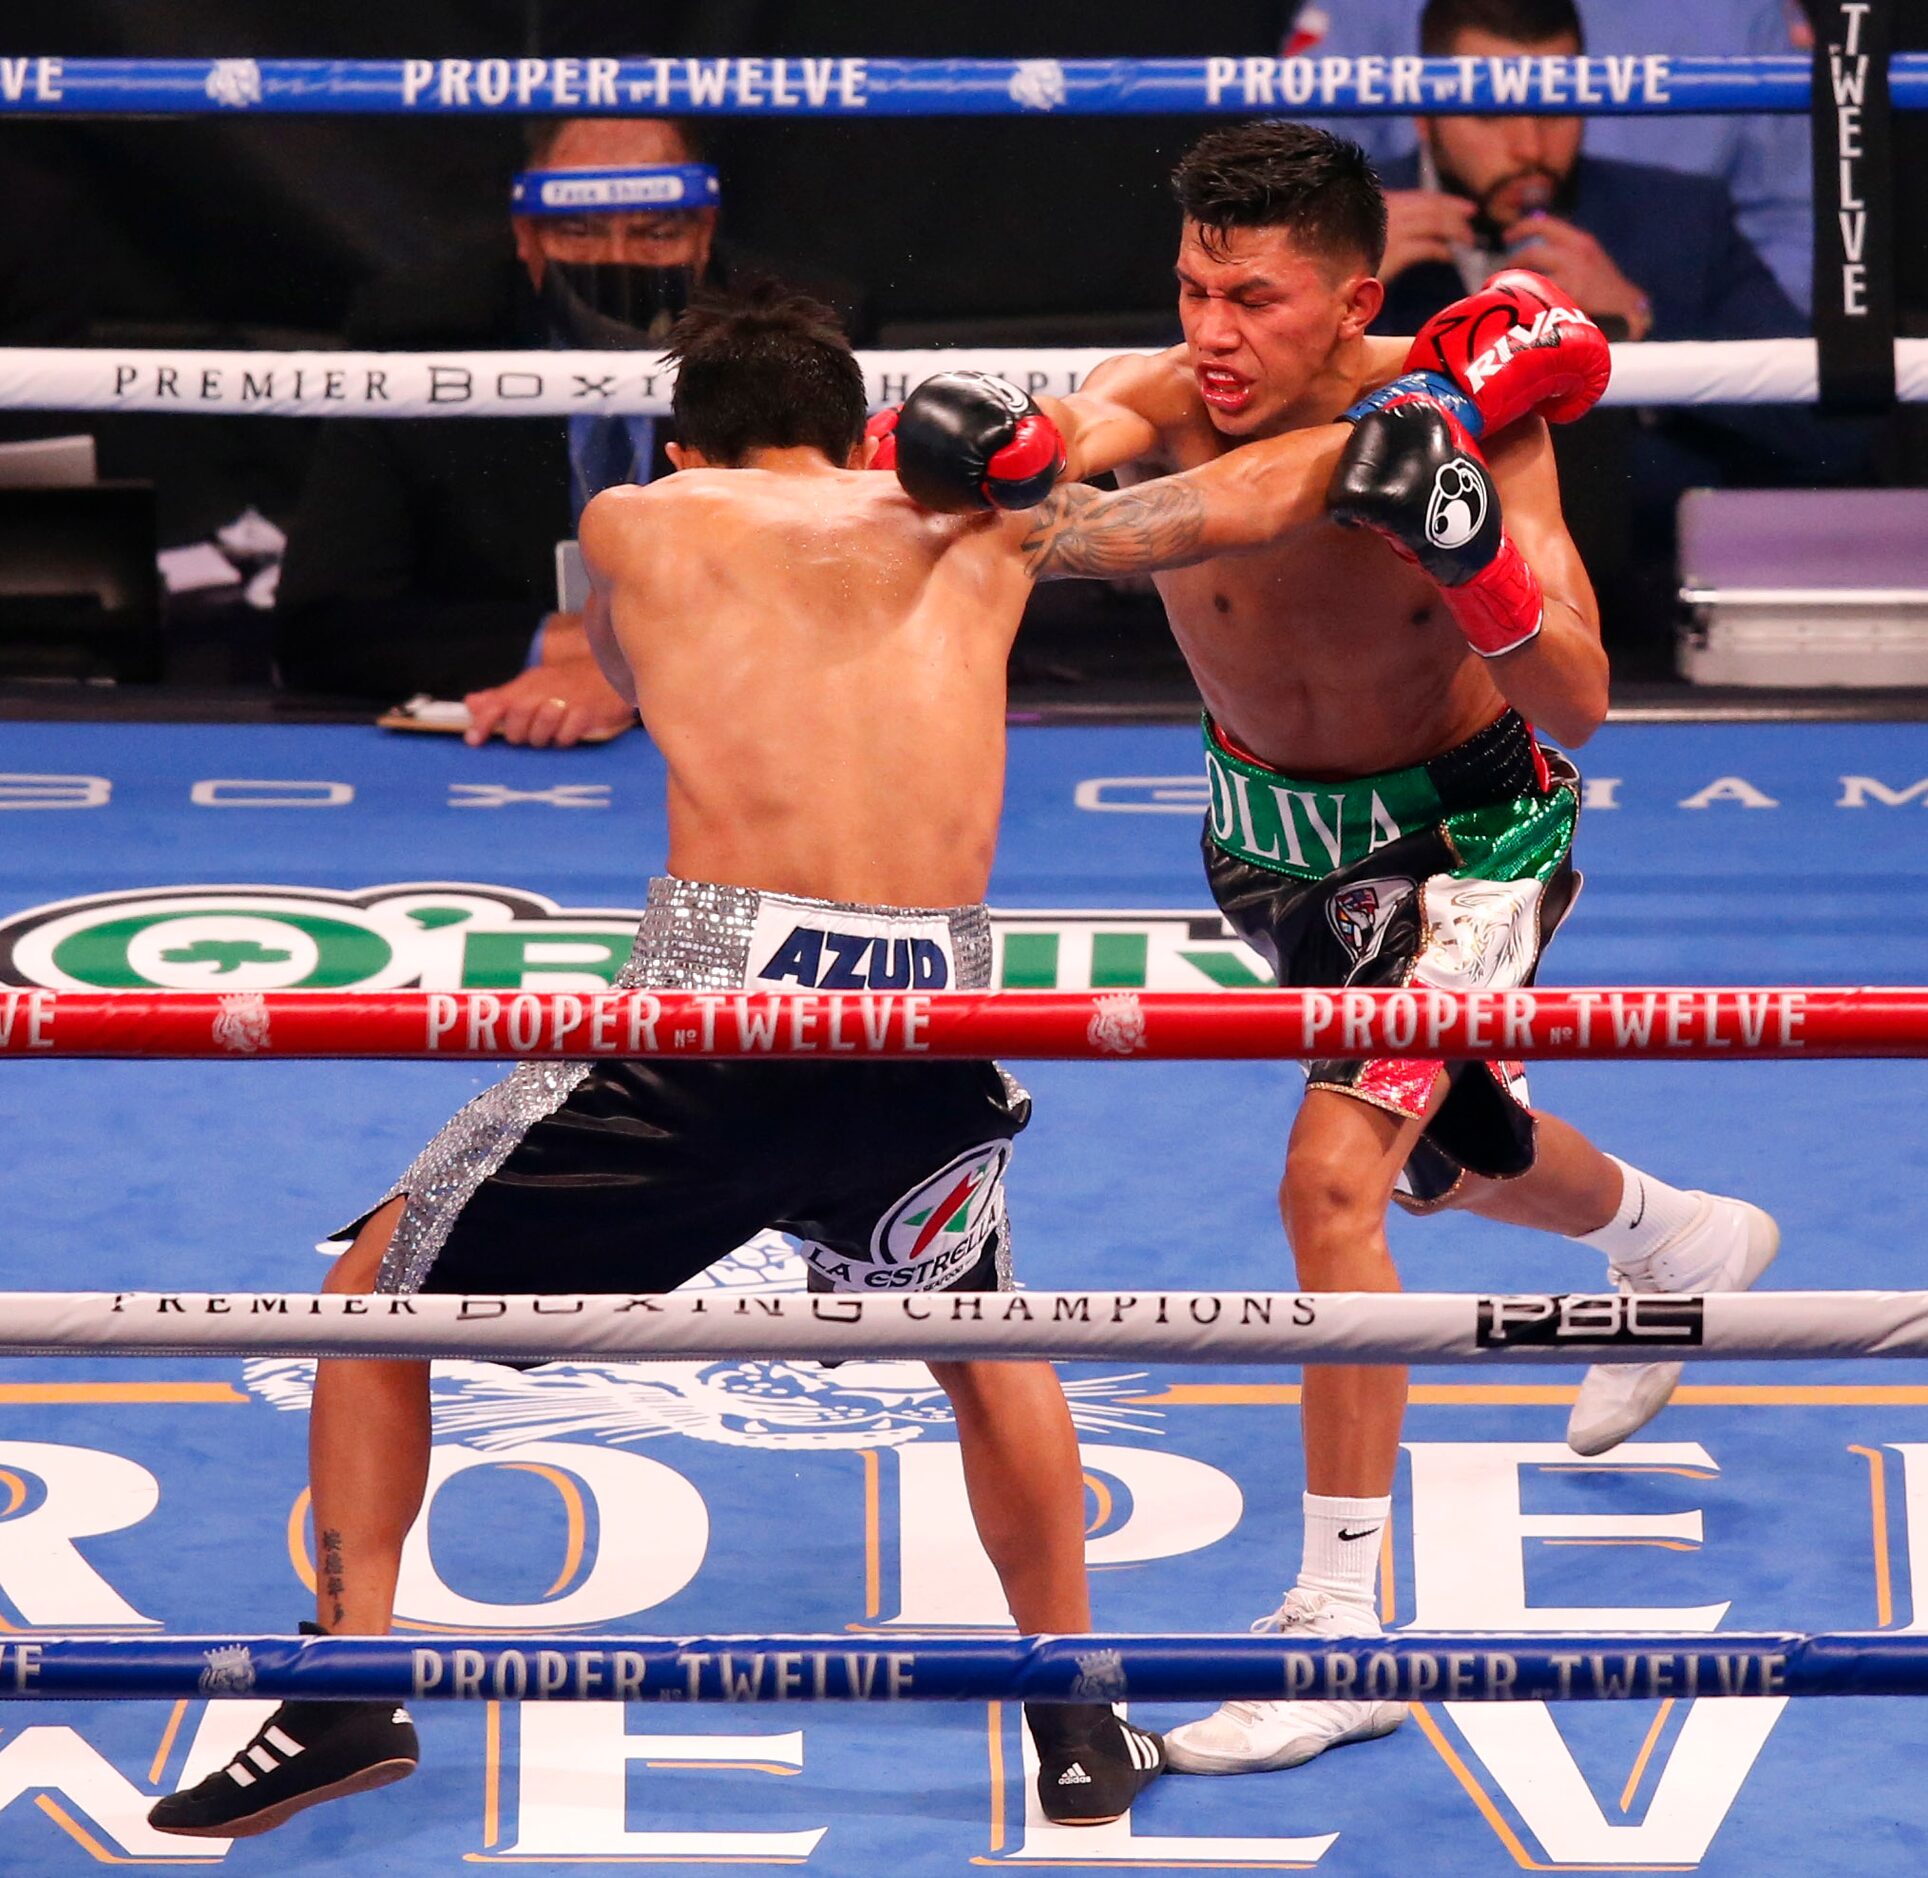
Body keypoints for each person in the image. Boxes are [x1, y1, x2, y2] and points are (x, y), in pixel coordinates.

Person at [147, 284, 1163, 1840]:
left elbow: (613, 665)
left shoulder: (641, 512)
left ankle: (349, 1683)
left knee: (364, 1292)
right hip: (927, 1037)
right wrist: (1016, 452)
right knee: (983, 1338)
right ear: (859, 426)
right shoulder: (992, 536)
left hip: (713, 1031)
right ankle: (1078, 1708)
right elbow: (1144, 413)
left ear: (687, 436)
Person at [893, 120, 1780, 1778]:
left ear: (1352, 297)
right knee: (1454, 1159)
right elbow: (1087, 448)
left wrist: (1466, 546)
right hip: (1273, 853)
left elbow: (1578, 698)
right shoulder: (1151, 398)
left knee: (1330, 1183)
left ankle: (1341, 1624)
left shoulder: (1472, 427)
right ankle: (1672, 1238)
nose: (1211, 334)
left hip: (1471, 843)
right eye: (1188, 290)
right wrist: (1000, 460)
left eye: (1251, 296)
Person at [274, 118, 865, 747]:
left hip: (751, 732)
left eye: (656, 231)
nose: (619, 258)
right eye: (579, 229)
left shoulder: (799, 343)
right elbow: (324, 627)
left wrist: (632, 674)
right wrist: (587, 652)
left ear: (704, 233)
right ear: (526, 236)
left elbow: (853, 596)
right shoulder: (421, 340)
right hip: (503, 734)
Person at [1281, 0, 1815, 311]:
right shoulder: (1348, 233)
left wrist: (1635, 328)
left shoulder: (1682, 223)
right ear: (1423, 113)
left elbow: (1830, 438)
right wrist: (1323, 291)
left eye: (1558, 108)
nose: (1530, 149)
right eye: (1490, 113)